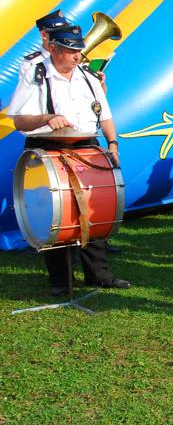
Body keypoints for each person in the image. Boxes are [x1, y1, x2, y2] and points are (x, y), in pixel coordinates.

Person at [7, 25, 131, 296]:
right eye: (71, 51)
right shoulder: (37, 75)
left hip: (86, 145)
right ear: (53, 48)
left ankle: (99, 275)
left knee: (95, 206)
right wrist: (47, 118)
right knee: (56, 213)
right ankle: (61, 280)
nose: (77, 56)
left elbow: (105, 115)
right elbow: (19, 121)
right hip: (47, 146)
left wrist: (112, 143)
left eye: (79, 51)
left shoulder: (88, 76)